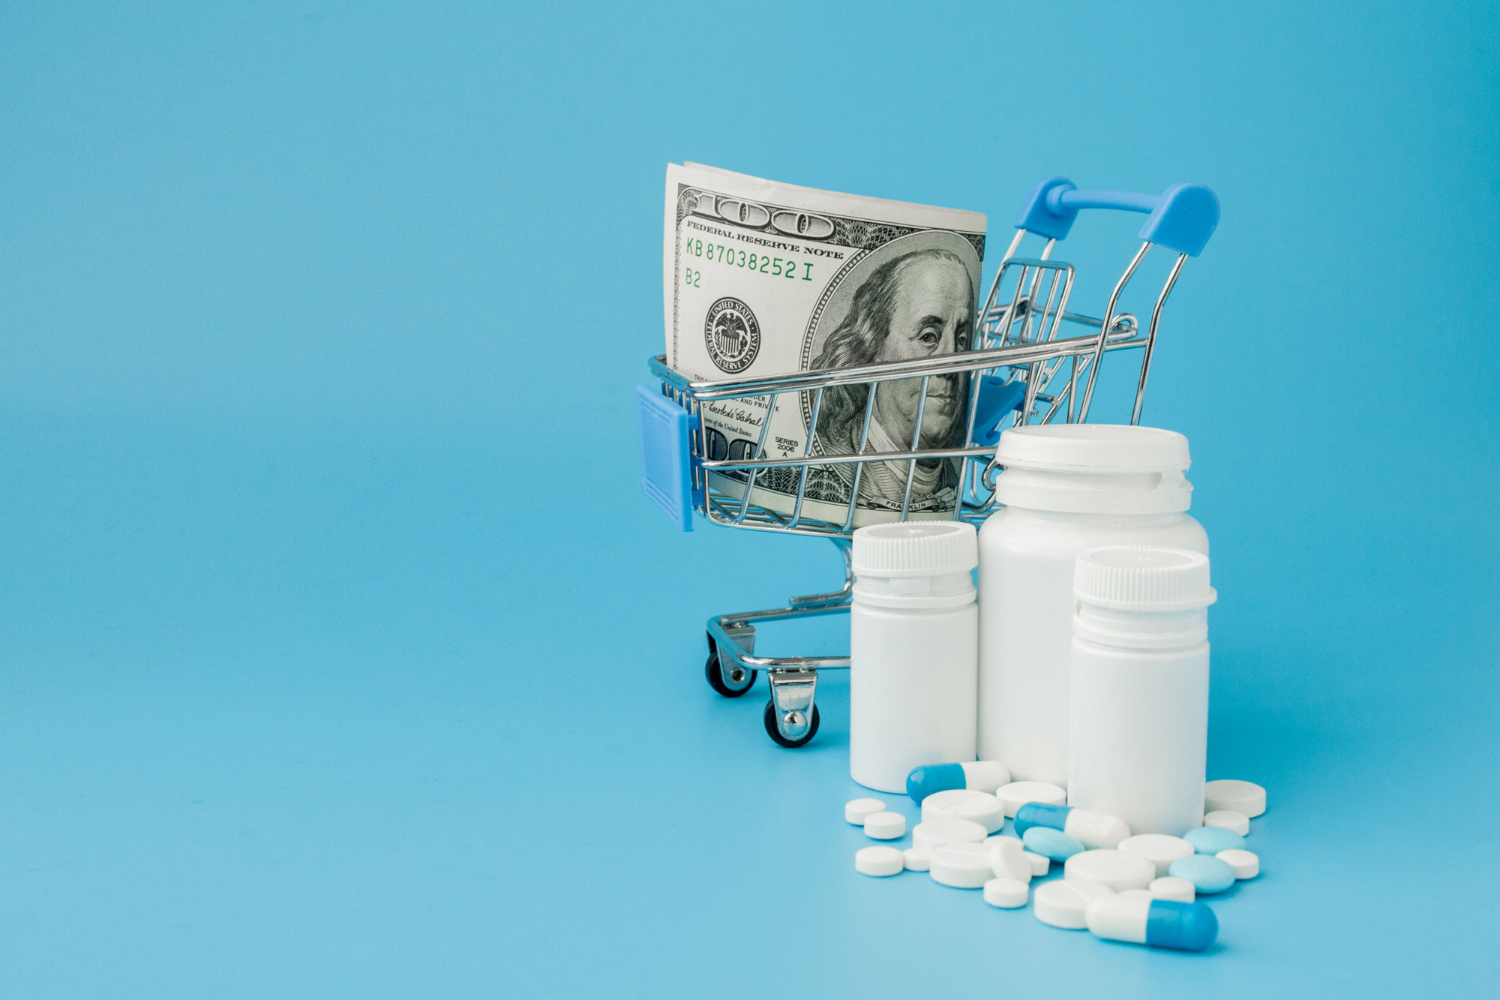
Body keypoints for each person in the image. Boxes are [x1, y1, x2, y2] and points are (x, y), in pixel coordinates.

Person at [811, 247, 975, 509]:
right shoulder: (833, 461)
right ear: (875, 346)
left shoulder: (949, 479)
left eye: (962, 339)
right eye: (928, 337)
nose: (952, 364)